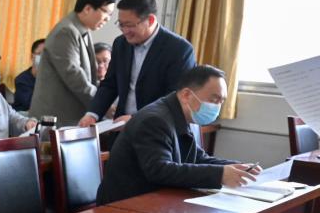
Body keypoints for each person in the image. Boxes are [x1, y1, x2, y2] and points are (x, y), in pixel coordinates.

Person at [97, 65, 259, 205]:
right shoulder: (154, 120)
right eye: (214, 99)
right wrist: (220, 175)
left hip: (156, 200)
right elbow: (160, 170)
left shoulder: (181, 115)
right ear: (186, 94)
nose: (217, 107)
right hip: (125, 205)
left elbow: (197, 158)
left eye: (221, 101)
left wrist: (237, 168)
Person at [79, 0, 196, 128]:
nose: (125, 31)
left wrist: (136, 118)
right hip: (120, 126)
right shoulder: (120, 44)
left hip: (158, 128)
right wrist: (92, 114)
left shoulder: (179, 49)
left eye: (129, 25)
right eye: (121, 24)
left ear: (150, 20)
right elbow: (110, 84)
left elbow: (175, 97)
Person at [28, 0, 119, 125]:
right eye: (106, 12)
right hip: (56, 118)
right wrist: (102, 103)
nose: (107, 19)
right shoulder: (66, 31)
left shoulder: (81, 29)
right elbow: (74, 76)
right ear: (87, 8)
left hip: (69, 115)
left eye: (110, 15)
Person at [12, 39, 44, 112]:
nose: (44, 57)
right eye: (40, 54)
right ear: (32, 56)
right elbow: (30, 104)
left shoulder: (52, 79)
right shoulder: (21, 80)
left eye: (46, 55)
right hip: (23, 115)